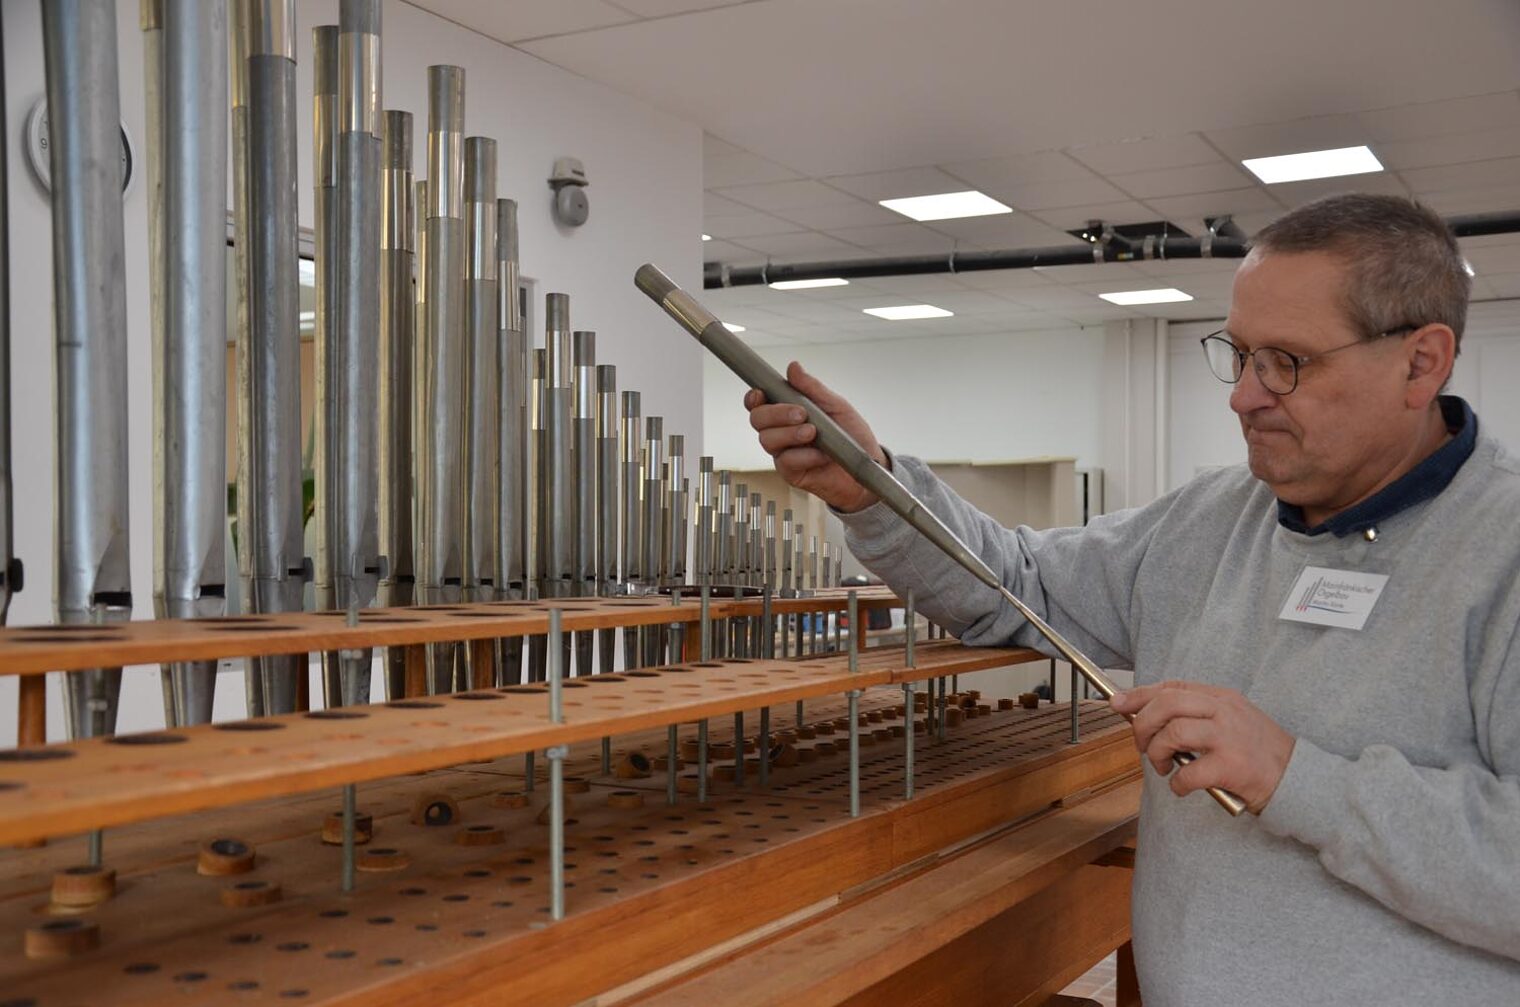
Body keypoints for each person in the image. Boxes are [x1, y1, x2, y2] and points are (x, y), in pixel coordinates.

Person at [743, 193, 1520, 1004]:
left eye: (1288, 361)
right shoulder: (1207, 520)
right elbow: (1016, 584)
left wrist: (1296, 776)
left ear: (1421, 362)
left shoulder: (1502, 553)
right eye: (1241, 353)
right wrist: (874, 489)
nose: (1244, 396)